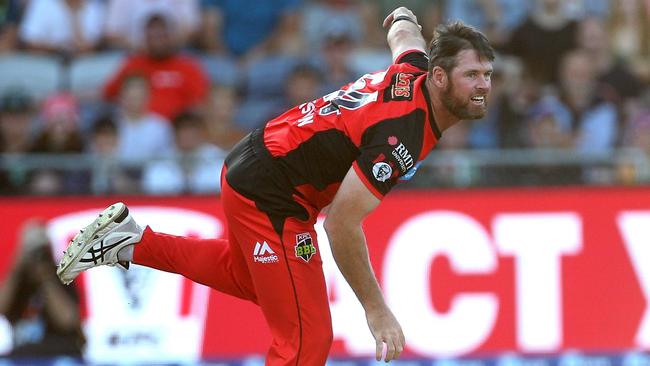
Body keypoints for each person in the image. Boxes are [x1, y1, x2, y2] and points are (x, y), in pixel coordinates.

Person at [57, 7, 495, 364]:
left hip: (259, 167)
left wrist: (402, 16)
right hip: (272, 195)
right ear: (439, 78)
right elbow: (341, 225)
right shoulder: (402, 137)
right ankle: (127, 243)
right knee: (308, 339)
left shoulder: (416, 69)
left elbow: (405, 38)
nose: (483, 86)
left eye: (487, 75)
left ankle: (128, 242)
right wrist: (376, 310)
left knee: (252, 279)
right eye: (472, 75)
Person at [0, 220, 85, 358]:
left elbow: (67, 321)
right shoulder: (17, 281)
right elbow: (1, 308)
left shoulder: (61, 276)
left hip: (59, 353)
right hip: (22, 355)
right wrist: (16, 268)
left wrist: (47, 280)